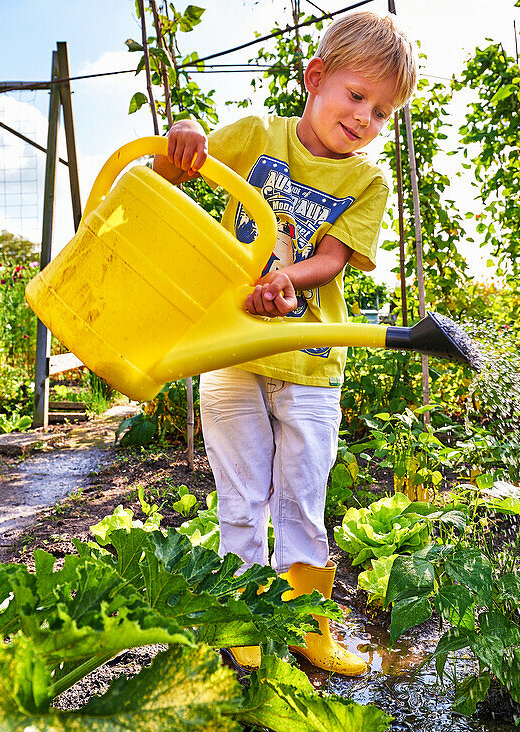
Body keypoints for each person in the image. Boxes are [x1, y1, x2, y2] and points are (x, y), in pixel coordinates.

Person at [153, 10, 417, 676]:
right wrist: (181, 138)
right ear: (317, 78)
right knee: (239, 496)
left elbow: (328, 259)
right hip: (229, 350)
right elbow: (180, 170)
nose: (365, 119)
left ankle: (306, 624)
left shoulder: (366, 182)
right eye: (357, 96)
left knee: (303, 499)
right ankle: (240, 618)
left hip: (311, 361)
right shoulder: (255, 136)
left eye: (383, 112)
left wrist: (283, 279)